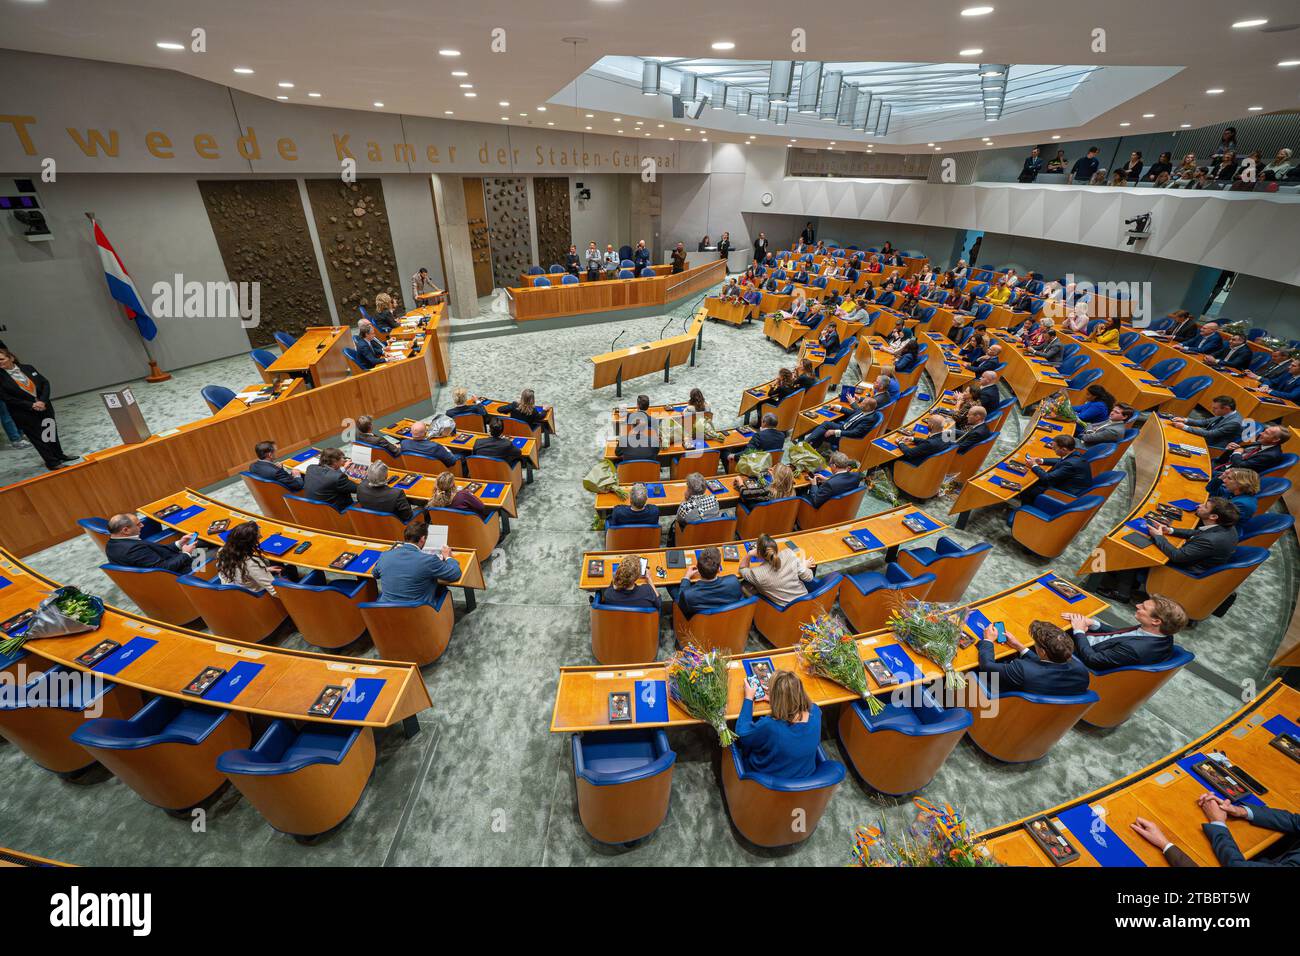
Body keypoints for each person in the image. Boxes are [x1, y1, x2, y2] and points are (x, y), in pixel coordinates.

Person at [1087, 498, 1240, 603]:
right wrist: (1170, 530)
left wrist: (1159, 537)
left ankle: (1122, 593)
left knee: (1135, 550)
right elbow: (1199, 533)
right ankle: (1123, 577)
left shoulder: (1212, 540)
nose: (1199, 505)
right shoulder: (1226, 528)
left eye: (1205, 506)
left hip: (1184, 572)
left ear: (1213, 516)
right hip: (1196, 560)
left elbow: (1177, 556)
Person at [1063, 595, 1187, 671]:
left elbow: (1092, 660)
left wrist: (1079, 632)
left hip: (1083, 654)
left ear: (1156, 621)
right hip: (1094, 644)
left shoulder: (1134, 649)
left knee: (1051, 625)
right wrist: (1093, 623)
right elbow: (1121, 635)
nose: (1137, 605)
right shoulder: (1161, 634)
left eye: (1143, 607)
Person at [0, 347, 73, 470]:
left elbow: (45, 383)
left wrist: (43, 401)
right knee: (38, 437)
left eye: (1, 359)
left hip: (44, 407)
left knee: (50, 432)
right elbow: (6, 398)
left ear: (11, 358)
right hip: (24, 412)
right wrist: (31, 405)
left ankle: (59, 455)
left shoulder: (28, 368)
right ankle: (52, 462)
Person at [976, 620, 1089, 695]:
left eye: (1036, 644)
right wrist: (1019, 646)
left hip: (1003, 700)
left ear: (1043, 652)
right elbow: (1046, 666)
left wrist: (988, 640)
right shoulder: (1081, 670)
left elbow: (987, 666)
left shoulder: (1022, 669)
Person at [372, 522, 462, 605]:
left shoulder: (385, 555)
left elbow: (375, 574)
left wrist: (390, 552)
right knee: (442, 588)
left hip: (386, 611)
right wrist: (448, 557)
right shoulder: (428, 560)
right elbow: (455, 574)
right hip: (419, 613)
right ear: (422, 539)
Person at [105, 512, 198, 573]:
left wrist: (180, 543)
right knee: (207, 548)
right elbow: (163, 569)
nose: (142, 525)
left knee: (198, 542)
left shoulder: (111, 545)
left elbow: (158, 552)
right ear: (125, 530)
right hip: (184, 571)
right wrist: (186, 554)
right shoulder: (133, 550)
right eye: (138, 524)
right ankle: (205, 573)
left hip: (172, 560)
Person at [739, 533, 814, 606]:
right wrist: (803, 566)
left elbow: (742, 569)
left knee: (745, 585)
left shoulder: (758, 574)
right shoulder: (789, 553)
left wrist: (749, 554)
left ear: (759, 554)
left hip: (785, 611)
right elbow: (809, 578)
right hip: (805, 602)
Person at [1018, 434, 1091, 506]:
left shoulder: (1070, 465)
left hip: (1063, 494)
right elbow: (1061, 460)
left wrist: (1034, 465)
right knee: (1034, 481)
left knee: (1027, 488)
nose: (1053, 449)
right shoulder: (1075, 454)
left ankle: (1025, 510)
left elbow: (1047, 478)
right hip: (1068, 485)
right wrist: (1041, 460)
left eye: (1055, 448)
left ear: (1064, 449)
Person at [215, 520, 284, 595]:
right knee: (289, 569)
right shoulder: (251, 563)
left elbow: (238, 572)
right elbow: (274, 592)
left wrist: (264, 570)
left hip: (234, 594)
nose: (261, 537)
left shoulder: (222, 551)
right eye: (258, 537)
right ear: (249, 543)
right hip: (257, 597)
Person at [675, 545, 743, 619]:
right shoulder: (734, 581)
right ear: (719, 569)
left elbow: (680, 604)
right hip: (727, 620)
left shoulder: (688, 594)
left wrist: (686, 578)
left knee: (672, 587)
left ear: (697, 569)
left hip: (697, 623)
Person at [804, 395, 880, 452]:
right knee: (825, 424)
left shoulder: (870, 419)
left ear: (868, 407)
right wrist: (838, 407)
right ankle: (810, 445)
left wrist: (834, 432)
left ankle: (807, 445)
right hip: (843, 427)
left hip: (846, 437)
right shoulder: (866, 410)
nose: (860, 405)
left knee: (822, 431)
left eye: (862, 404)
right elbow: (854, 412)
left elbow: (855, 433)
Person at [1172, 397, 1242, 449]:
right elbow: (1204, 422)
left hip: (1212, 446)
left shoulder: (1234, 423)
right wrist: (1185, 420)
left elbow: (1210, 434)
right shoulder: (1228, 413)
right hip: (1206, 437)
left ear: (1226, 408)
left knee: (1176, 442)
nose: (1212, 410)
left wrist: (1184, 427)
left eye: (1215, 408)